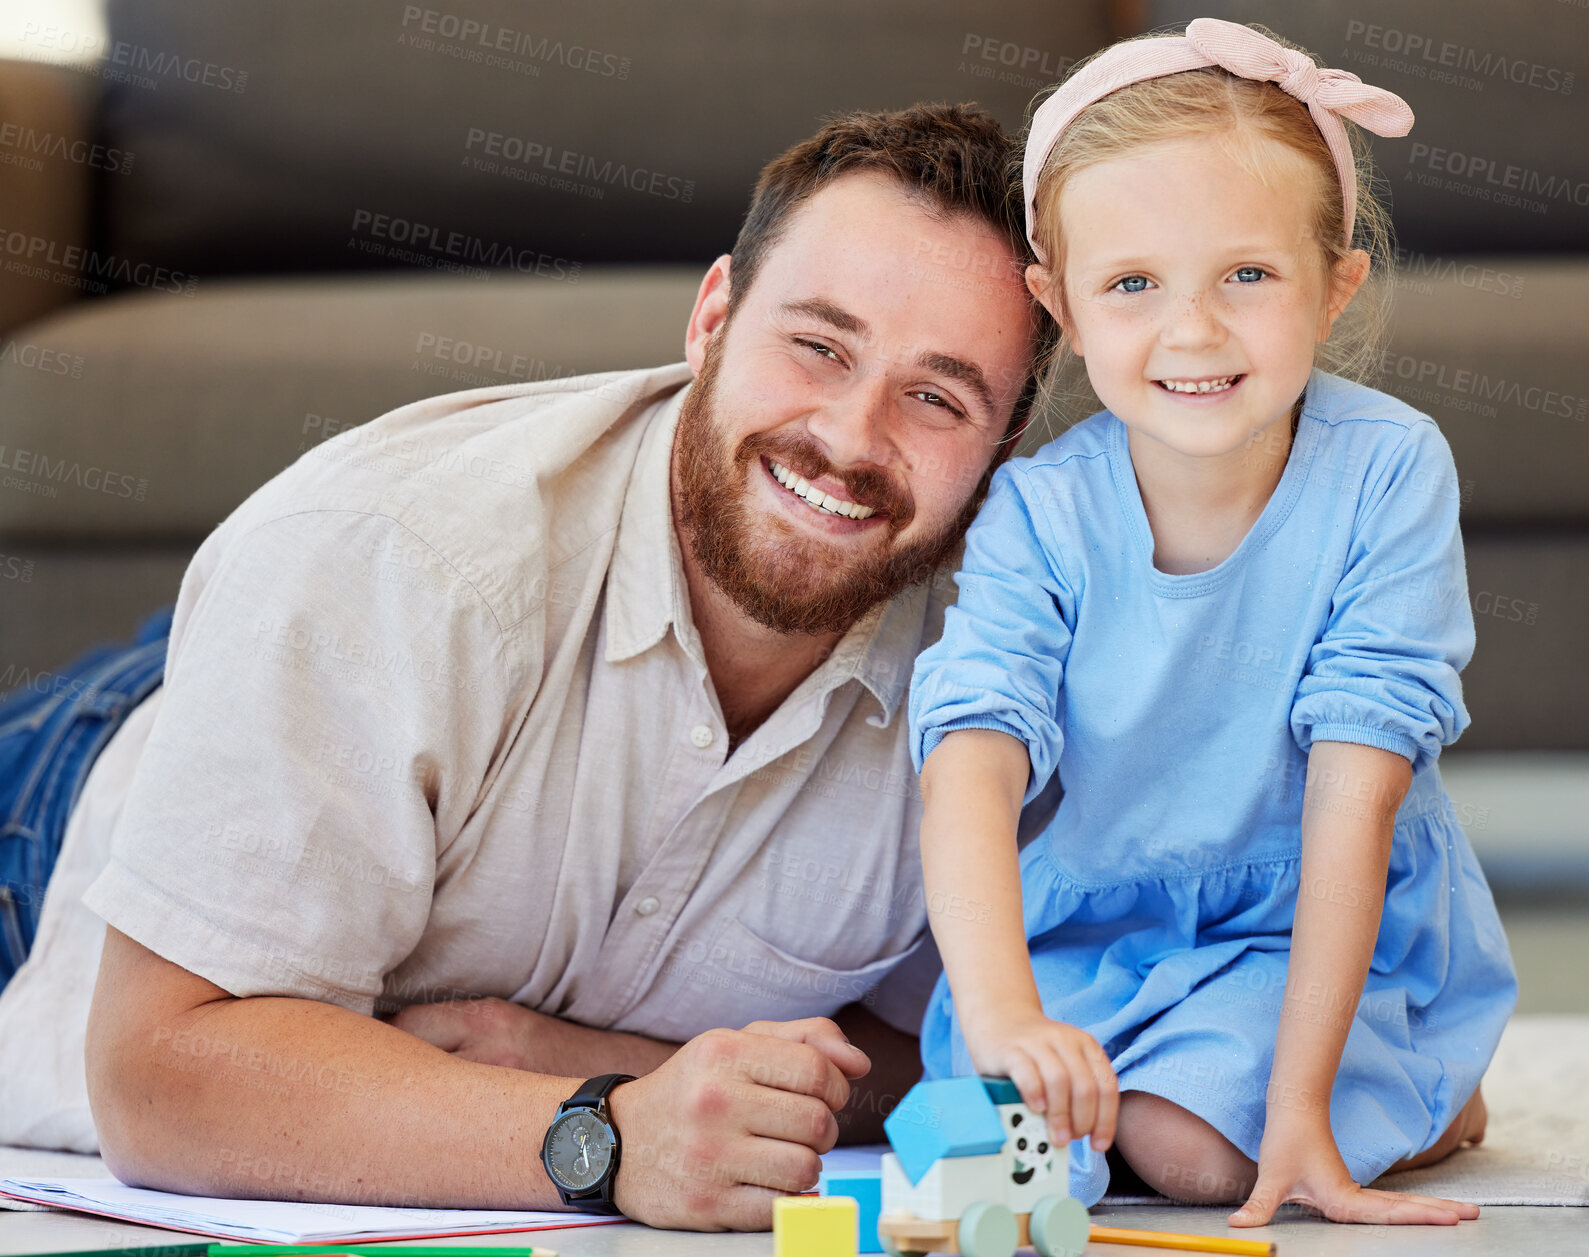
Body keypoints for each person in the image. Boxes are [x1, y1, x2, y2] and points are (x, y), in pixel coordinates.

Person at [0, 103, 1055, 1230]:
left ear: (998, 455)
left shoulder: (1001, 677)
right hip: (68, 807)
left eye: (936, 398)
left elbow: (957, 1048)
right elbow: (160, 1077)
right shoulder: (395, 555)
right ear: (711, 319)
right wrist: (602, 1132)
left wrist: (584, 1059)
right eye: (817, 346)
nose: (850, 439)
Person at [907, 19, 1516, 1230]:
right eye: (1131, 285)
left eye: (1246, 275)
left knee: (1190, 1156)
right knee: (1007, 1145)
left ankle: (1401, 1081)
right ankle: (1317, 1089)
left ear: (1333, 286)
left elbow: (1358, 792)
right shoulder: (1039, 508)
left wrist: (1297, 1116)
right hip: (1103, 923)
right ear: (1060, 306)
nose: (1191, 332)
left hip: (1302, 927)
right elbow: (970, 758)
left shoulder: (1386, 470)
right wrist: (1002, 1018)